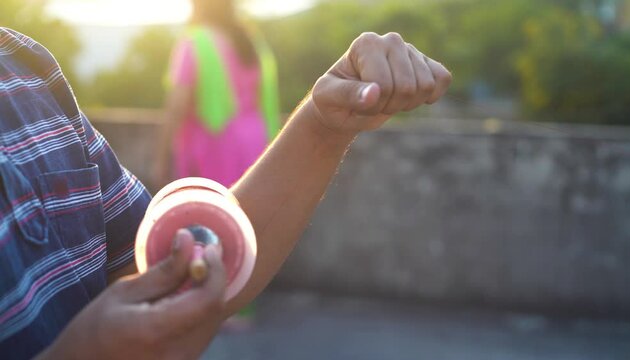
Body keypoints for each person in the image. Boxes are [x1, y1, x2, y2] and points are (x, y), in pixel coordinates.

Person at [0, 25, 451, 359]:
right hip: (249, 136)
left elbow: (170, 272)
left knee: (209, 236)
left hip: (209, 141)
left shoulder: (26, 66)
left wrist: (324, 126)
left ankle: (236, 318)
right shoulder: (247, 41)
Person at [158, 0, 280, 188]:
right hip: (258, 141)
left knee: (215, 213)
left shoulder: (194, 42)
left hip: (215, 147)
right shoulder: (250, 40)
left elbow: (177, 106)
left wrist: (162, 158)